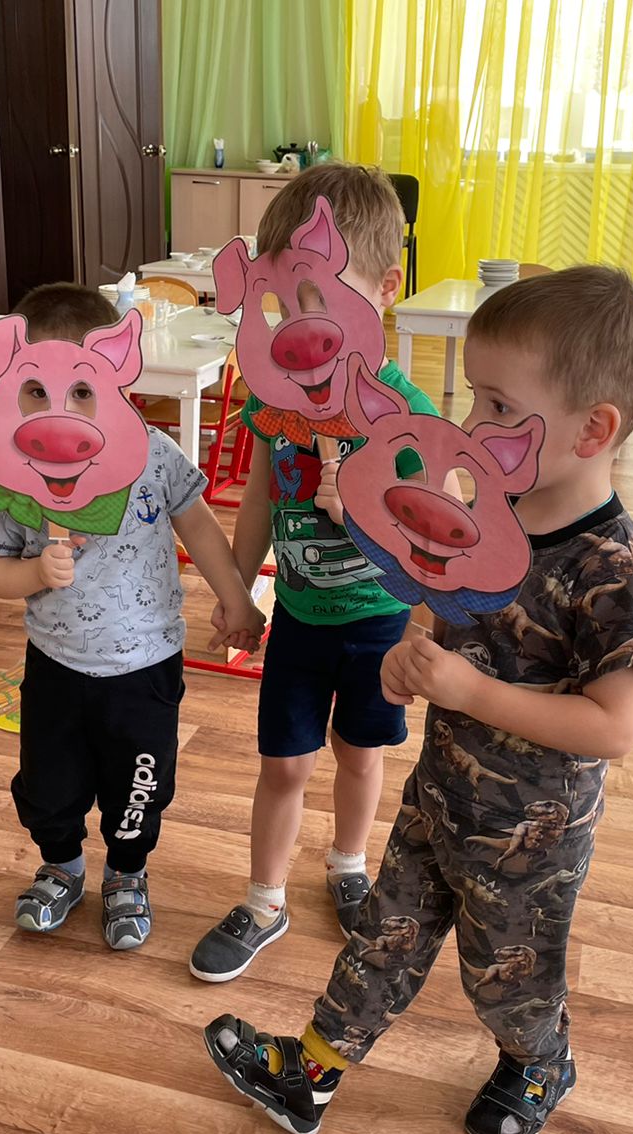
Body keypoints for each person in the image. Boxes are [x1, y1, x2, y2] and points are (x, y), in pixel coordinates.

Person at [203, 266, 633, 1134]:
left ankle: (539, 1060)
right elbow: (442, 595)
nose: (471, 426)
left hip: (530, 838)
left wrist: (471, 691)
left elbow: (616, 727)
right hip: (439, 795)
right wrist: (410, 652)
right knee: (384, 939)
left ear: (593, 429)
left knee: (506, 976)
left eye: (498, 407)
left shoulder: (614, 572)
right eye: (473, 399)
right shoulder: (491, 511)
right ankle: (313, 1072)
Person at [190, 163, 443, 982]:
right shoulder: (273, 402)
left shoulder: (407, 414)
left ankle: (348, 865)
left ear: (386, 290)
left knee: (361, 754)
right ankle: (264, 901)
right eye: (285, 304)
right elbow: (260, 496)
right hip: (300, 617)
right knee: (284, 764)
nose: (301, 328)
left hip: (378, 622)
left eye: (324, 301)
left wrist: (362, 509)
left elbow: (431, 540)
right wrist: (238, 591)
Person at [0, 283, 266, 952]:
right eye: (37, 390)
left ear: (119, 378)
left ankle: (128, 873)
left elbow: (199, 525)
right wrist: (33, 573)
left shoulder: (153, 454)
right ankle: (62, 867)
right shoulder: (13, 473)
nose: (61, 409)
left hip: (145, 664)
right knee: (47, 785)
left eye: (82, 389)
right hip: (56, 663)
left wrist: (237, 598)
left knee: (139, 787)